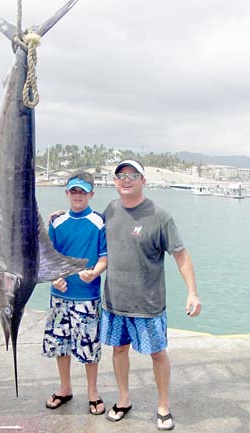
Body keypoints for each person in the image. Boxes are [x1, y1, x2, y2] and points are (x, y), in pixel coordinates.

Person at [100, 160, 201, 430]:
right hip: (114, 302)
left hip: (149, 304)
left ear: (144, 180)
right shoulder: (109, 210)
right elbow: (90, 233)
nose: (126, 180)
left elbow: (181, 254)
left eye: (133, 175)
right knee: (119, 350)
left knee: (158, 354)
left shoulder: (160, 216)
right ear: (114, 181)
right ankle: (123, 400)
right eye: (121, 175)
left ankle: (163, 405)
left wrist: (192, 292)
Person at [42, 170, 108, 415]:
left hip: (87, 296)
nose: (78, 195)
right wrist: (55, 278)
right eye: (73, 191)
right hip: (60, 295)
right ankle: (65, 388)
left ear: (91, 193)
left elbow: (104, 256)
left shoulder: (100, 222)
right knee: (61, 344)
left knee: (90, 348)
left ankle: (93, 392)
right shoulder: (56, 222)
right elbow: (49, 258)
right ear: (66, 193)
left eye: (82, 191)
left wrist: (96, 272)